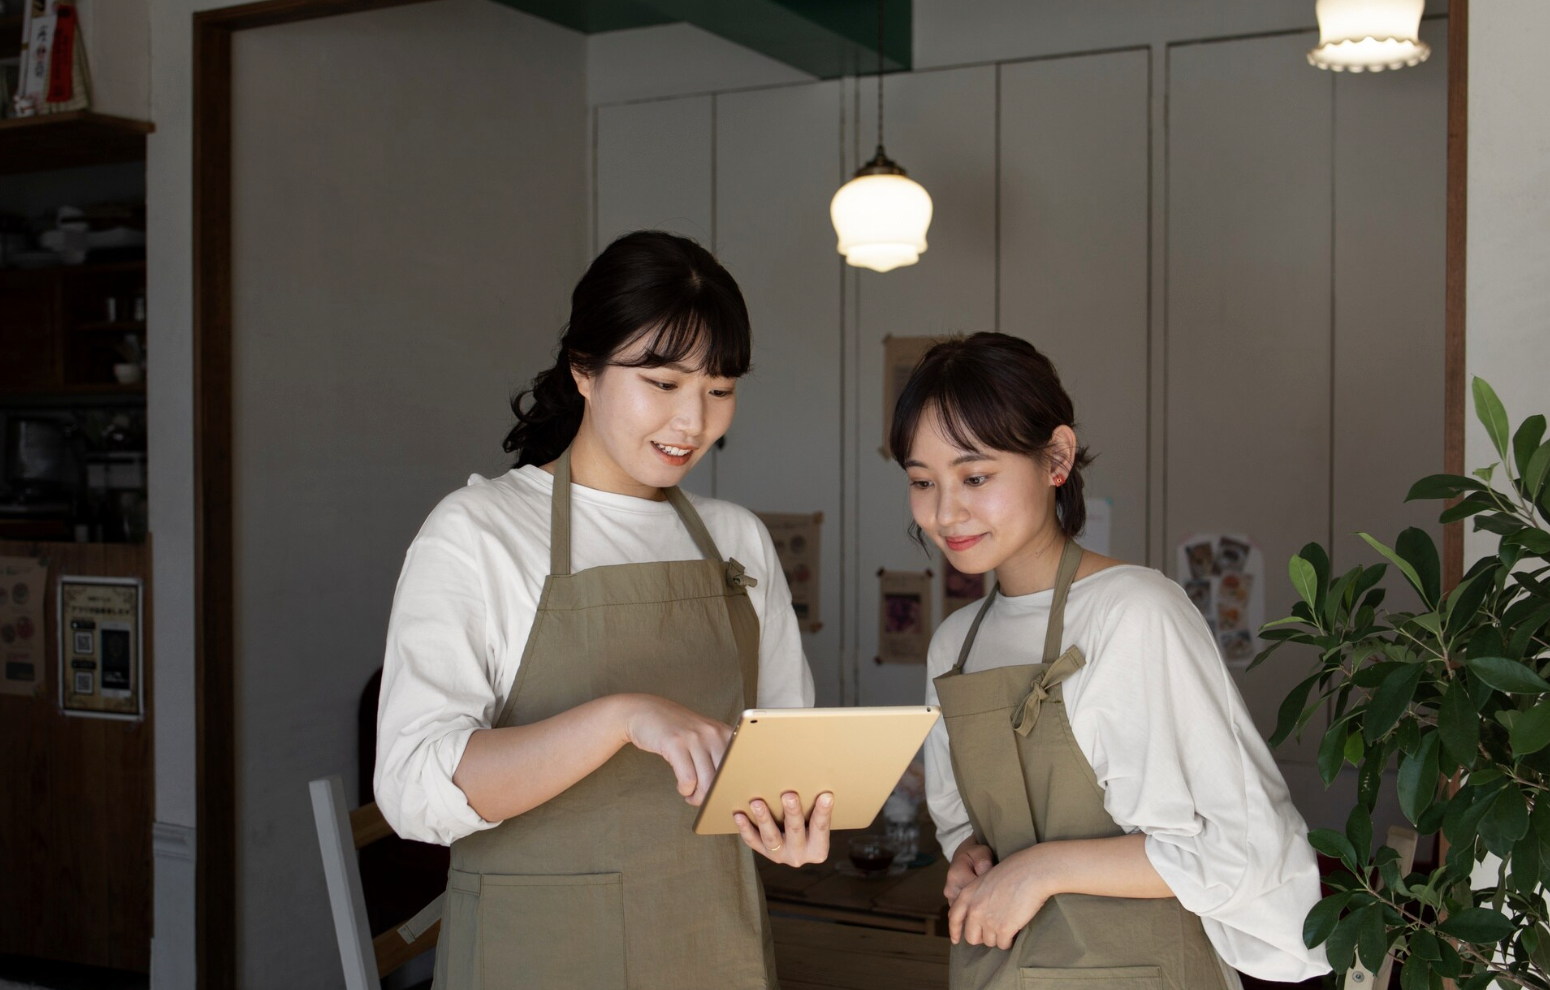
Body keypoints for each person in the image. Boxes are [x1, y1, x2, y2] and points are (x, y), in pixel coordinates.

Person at [375, 231, 831, 990]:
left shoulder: (735, 538)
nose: (694, 423)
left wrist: (792, 822)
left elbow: (783, 750)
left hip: (710, 939)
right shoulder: (478, 530)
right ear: (583, 370)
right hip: (541, 954)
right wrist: (622, 717)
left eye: (719, 390)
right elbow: (414, 787)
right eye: (663, 383)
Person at [891, 332, 1329, 989]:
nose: (945, 511)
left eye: (975, 476)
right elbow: (964, 823)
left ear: (1056, 458)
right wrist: (971, 858)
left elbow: (1235, 849)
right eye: (922, 482)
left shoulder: (1135, 611)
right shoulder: (956, 643)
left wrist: (1038, 869)